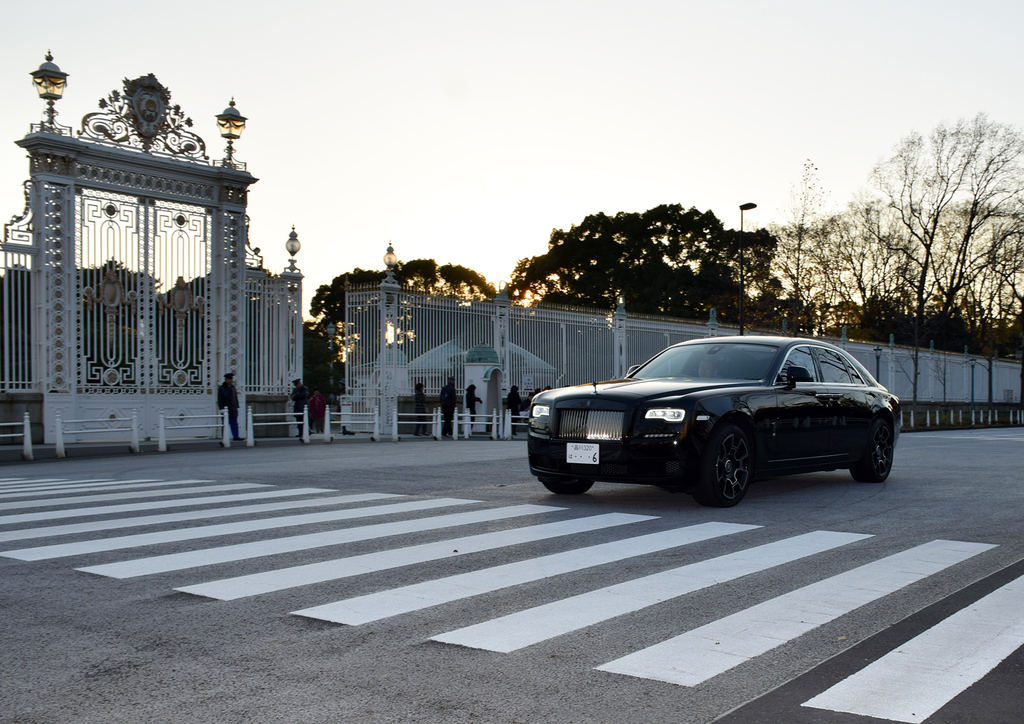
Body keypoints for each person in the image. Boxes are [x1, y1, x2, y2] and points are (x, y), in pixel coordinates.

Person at [217, 373, 241, 441]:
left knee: (234, 423)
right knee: (225, 424)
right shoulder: (222, 388)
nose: (230, 381)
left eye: (231, 379)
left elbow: (235, 398)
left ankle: (236, 436)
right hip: (226, 409)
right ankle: (225, 436)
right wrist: (221, 408)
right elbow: (220, 399)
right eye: (229, 379)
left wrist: (237, 407)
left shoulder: (233, 388)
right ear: (226, 379)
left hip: (233, 408)